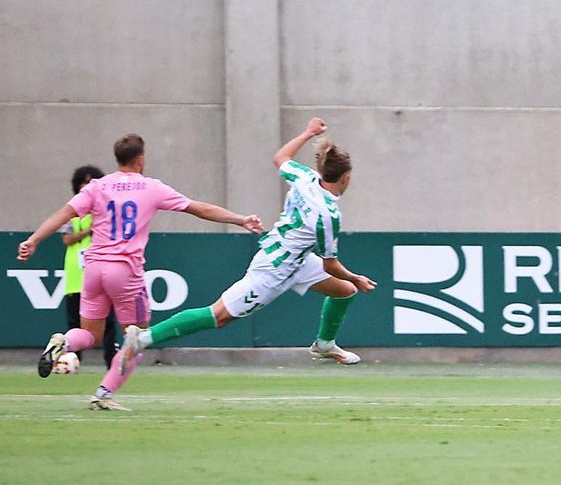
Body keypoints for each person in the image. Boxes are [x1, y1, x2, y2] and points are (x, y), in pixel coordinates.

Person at [115, 118, 377, 398]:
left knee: (344, 292)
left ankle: (324, 345)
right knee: (219, 315)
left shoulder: (305, 177)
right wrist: (356, 277)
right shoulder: (329, 215)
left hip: (297, 259)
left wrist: (308, 133)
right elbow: (330, 264)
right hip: (274, 270)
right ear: (346, 177)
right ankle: (142, 338)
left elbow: (281, 157)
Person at [17, 135, 264, 410]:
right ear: (141, 159)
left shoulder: (98, 186)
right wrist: (240, 219)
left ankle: (63, 342)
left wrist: (33, 240)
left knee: (89, 334)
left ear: (117, 158)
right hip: (125, 272)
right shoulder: (151, 187)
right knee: (138, 338)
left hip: (94, 268)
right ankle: (103, 394)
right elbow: (199, 209)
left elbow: (63, 214)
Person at [61, 165, 117, 370]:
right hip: (77, 277)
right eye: (83, 182)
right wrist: (88, 231)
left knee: (108, 323)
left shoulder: (106, 211)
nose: (87, 186)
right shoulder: (73, 212)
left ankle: (111, 361)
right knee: (75, 322)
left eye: (91, 181)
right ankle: (72, 361)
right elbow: (67, 239)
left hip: (101, 275)